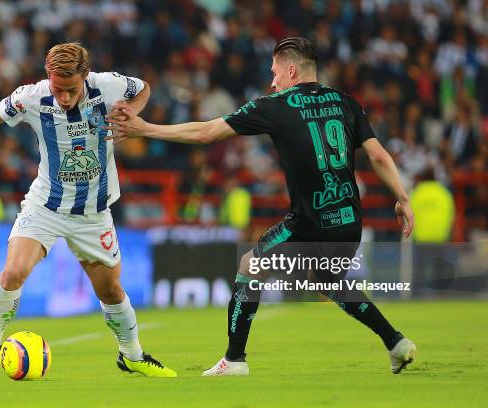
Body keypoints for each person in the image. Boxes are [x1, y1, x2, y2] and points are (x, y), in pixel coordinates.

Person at [105, 37, 417, 376]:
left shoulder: (276, 105)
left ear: (292, 70)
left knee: (249, 264)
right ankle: (396, 342)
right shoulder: (346, 102)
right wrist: (402, 198)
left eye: (275, 72)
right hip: (349, 220)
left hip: (309, 223)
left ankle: (234, 360)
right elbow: (378, 156)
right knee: (329, 281)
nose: (272, 81)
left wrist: (146, 129)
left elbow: (207, 132)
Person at [0, 42, 176, 378]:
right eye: (58, 89)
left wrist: (132, 112)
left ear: (85, 76)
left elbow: (143, 88)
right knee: (13, 272)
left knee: (111, 290)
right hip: (45, 206)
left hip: (93, 213)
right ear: (48, 77)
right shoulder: (31, 96)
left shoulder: (108, 85)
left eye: (71, 90)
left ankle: (132, 355)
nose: (64, 97)